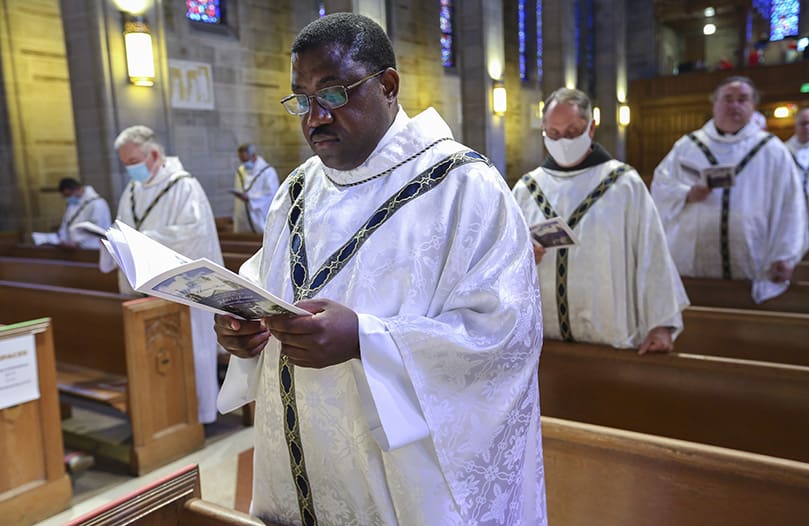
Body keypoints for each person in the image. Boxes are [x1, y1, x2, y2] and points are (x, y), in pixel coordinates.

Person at [215, 13, 546, 526]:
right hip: (299, 456)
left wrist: (366, 340)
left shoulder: (464, 187)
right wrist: (243, 322)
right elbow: (267, 277)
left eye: (333, 94)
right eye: (302, 99)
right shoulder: (297, 190)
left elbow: (504, 336)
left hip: (405, 480)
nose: (314, 118)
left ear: (388, 85)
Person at [512, 87, 688, 355]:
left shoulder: (624, 184)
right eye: (554, 134)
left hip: (609, 336)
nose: (563, 142)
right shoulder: (526, 189)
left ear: (591, 128)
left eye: (572, 133)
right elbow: (502, 260)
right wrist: (522, 257)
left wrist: (661, 323)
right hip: (542, 343)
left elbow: (652, 252)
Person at [651, 76, 808, 303]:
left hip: (750, 264)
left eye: (742, 99)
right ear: (714, 104)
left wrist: (786, 255)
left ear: (753, 106)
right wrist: (687, 193)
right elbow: (661, 186)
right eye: (728, 99)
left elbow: (791, 205)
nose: (734, 105)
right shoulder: (687, 146)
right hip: (691, 268)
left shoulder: (772, 151)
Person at [112, 125, 224, 425]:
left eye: (134, 161)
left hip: (186, 287)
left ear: (155, 154)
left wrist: (144, 238)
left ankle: (199, 416)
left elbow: (194, 234)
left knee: (194, 349)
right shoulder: (133, 190)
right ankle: (166, 414)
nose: (130, 170)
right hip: (149, 286)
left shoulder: (184, 186)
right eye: (125, 164)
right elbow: (122, 226)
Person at [232, 143, 279, 233]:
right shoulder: (241, 170)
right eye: (242, 161)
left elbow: (272, 194)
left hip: (259, 215)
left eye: (246, 160)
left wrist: (251, 198)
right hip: (244, 217)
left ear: (253, 156)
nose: (244, 164)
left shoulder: (268, 171)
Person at [56, 178, 111, 248]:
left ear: (78, 189)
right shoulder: (72, 205)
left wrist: (78, 242)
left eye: (68, 194)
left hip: (93, 247)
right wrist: (62, 239)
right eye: (65, 196)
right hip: (73, 248)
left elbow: (96, 228)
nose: (68, 198)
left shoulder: (97, 203)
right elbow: (65, 224)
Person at [785, 107, 809, 209]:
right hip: (792, 206)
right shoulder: (783, 151)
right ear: (795, 125)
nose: (807, 127)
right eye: (803, 123)